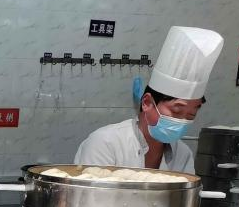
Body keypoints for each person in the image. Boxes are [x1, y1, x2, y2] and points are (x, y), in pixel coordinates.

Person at [75, 26, 224, 172]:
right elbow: (91, 187)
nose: (182, 122)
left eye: (191, 115)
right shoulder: (105, 143)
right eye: (177, 111)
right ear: (147, 103)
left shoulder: (182, 154)